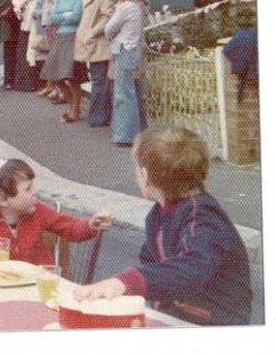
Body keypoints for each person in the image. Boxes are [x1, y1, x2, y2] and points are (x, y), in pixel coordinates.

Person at [73, 128, 251, 325]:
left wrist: (126, 282)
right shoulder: (159, 213)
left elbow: (190, 270)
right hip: (174, 315)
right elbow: (151, 261)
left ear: (145, 175)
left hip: (213, 322)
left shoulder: (202, 217)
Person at [0, 158, 110, 265]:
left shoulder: (38, 212)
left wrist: (90, 225)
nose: (35, 192)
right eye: (28, 189)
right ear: (2, 199)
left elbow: (70, 227)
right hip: (2, 289)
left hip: (42, 285)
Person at [39, 0, 87, 123]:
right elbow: (52, 16)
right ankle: (74, 107)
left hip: (73, 37)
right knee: (56, 76)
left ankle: (74, 110)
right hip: (60, 37)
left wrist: (62, 16)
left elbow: (77, 16)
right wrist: (65, 15)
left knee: (71, 76)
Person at [104, 0, 146, 146]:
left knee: (122, 94)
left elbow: (108, 29)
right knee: (129, 93)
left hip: (124, 51)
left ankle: (124, 135)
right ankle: (133, 132)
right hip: (130, 51)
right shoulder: (134, 6)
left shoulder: (125, 7)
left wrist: (113, 33)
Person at [75, 0, 114, 128]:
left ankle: (99, 117)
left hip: (100, 44)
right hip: (95, 44)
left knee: (99, 81)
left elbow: (108, 16)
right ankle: (99, 116)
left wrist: (92, 32)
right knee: (98, 80)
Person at [39, 0, 65, 104]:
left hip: (56, 22)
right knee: (54, 56)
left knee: (58, 56)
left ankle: (62, 90)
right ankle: (57, 88)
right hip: (52, 22)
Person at [11, 0, 41, 92]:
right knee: (32, 55)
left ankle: (26, 84)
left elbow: (16, 1)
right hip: (34, 24)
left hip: (27, 25)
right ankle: (32, 82)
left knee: (24, 55)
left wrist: (18, 10)